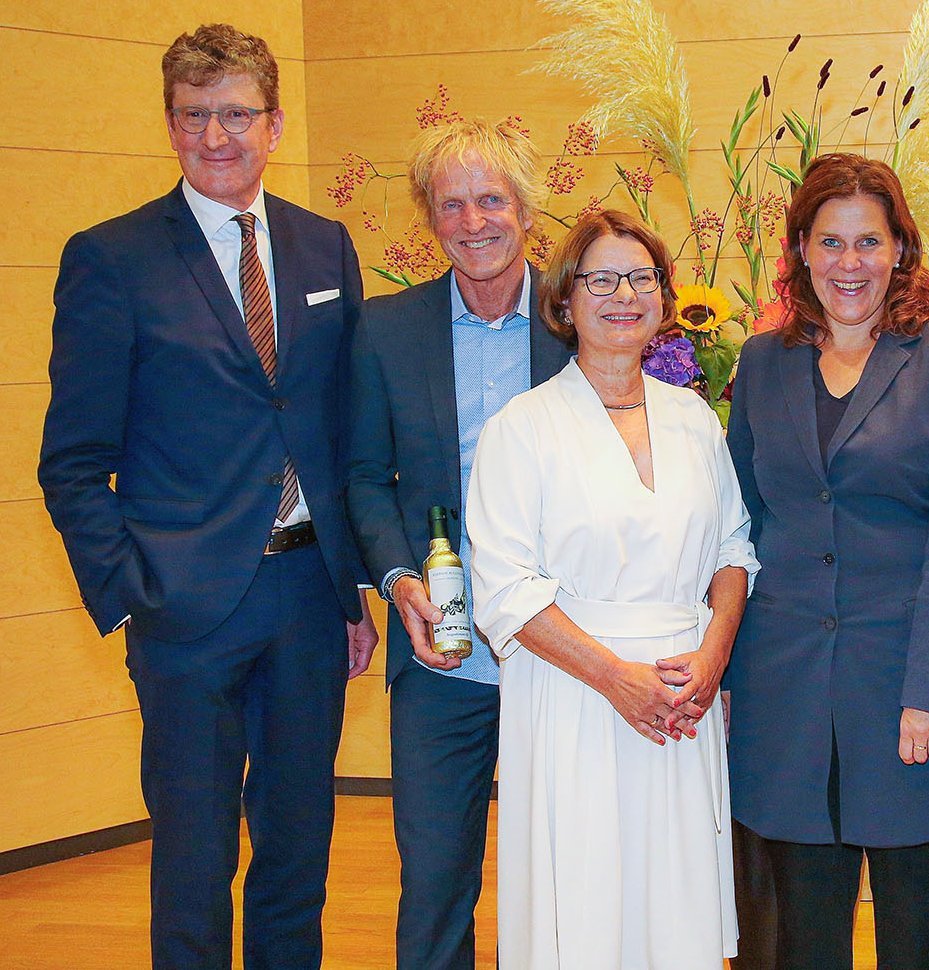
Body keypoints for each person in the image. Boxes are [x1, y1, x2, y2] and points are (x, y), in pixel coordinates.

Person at [36, 24, 377, 968]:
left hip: (310, 598)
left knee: (298, 851)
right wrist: (129, 591)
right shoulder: (111, 258)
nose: (214, 137)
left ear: (274, 123)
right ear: (169, 124)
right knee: (193, 859)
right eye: (193, 117)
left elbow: (345, 429)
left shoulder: (323, 246)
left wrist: (355, 585)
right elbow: (72, 460)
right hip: (183, 609)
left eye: (235, 115)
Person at [726, 153, 929, 970]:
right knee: (802, 939)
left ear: (899, 250)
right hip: (786, 690)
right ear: (801, 251)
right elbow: (737, 530)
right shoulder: (760, 362)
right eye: (831, 242)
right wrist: (728, 676)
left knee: (919, 936)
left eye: (869, 242)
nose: (850, 263)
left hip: (908, 689)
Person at [465, 209, 756, 968]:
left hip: (683, 696)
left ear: (663, 298)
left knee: (674, 904)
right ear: (565, 299)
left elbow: (733, 549)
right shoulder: (522, 428)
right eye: (601, 279)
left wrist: (714, 655)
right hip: (575, 694)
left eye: (641, 278)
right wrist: (615, 680)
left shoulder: (694, 419)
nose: (624, 295)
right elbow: (505, 590)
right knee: (587, 901)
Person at [345, 119, 570, 968]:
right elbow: (365, 476)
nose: (473, 222)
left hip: (564, 653)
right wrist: (398, 578)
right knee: (436, 882)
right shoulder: (385, 329)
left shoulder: (578, 318)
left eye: (491, 200)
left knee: (563, 878)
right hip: (441, 656)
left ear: (526, 210)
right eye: (451, 205)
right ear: (429, 219)